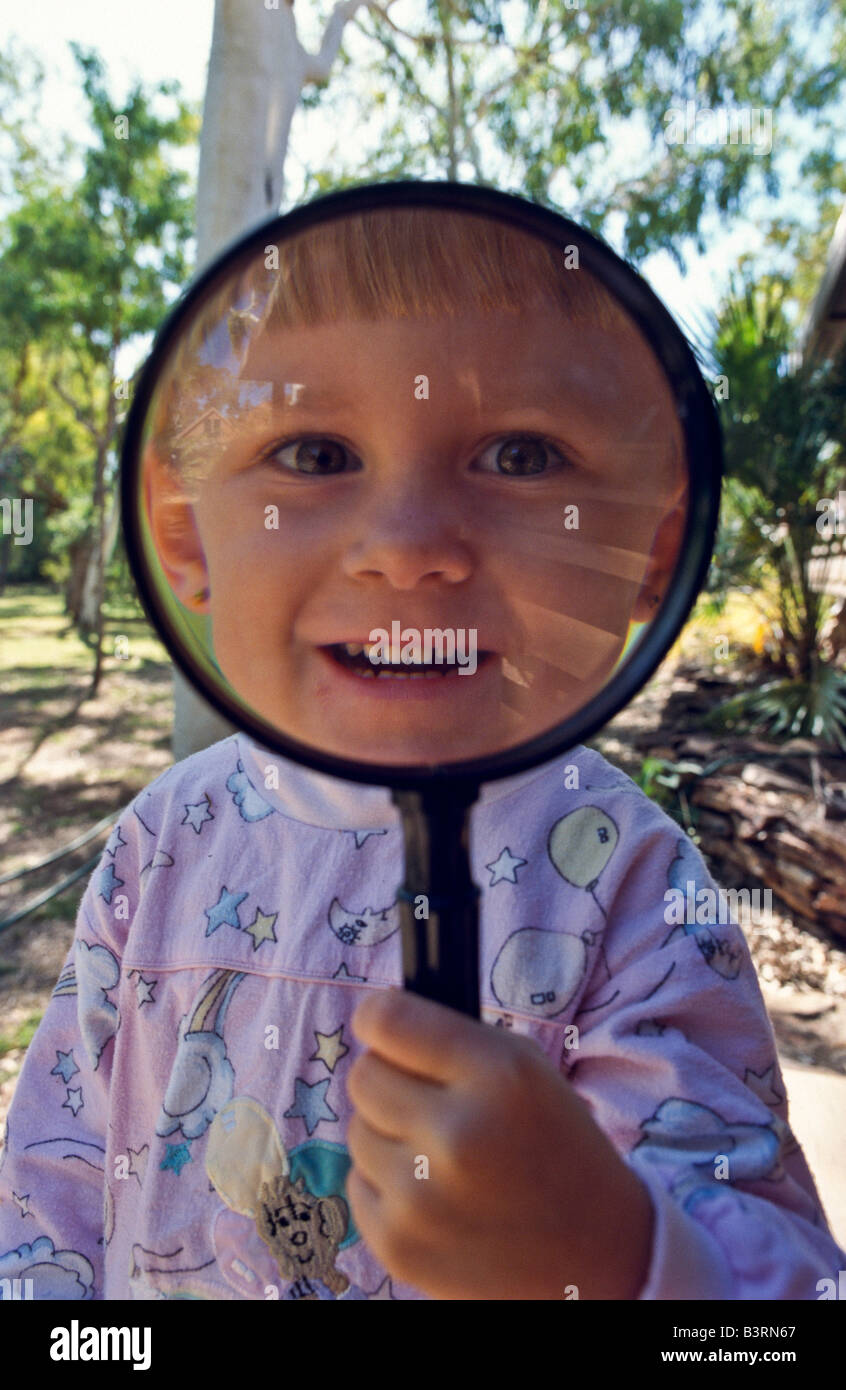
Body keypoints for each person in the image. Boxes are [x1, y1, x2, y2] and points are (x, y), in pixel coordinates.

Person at [1, 207, 843, 1300]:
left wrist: (617, 1255)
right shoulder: (158, 843)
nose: (406, 545)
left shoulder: (633, 889)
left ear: (657, 549)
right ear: (181, 534)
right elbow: (49, 1189)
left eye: (522, 454)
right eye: (313, 453)